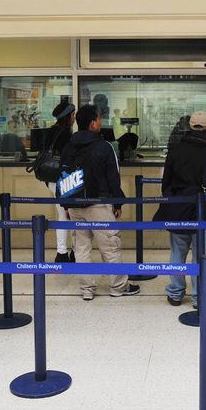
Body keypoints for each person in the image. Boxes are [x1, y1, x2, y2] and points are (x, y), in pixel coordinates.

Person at [59, 104, 140, 301]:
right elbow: (114, 178)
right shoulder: (104, 147)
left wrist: (67, 205)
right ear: (93, 123)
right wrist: (118, 203)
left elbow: (63, 177)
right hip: (100, 205)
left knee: (81, 248)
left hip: (75, 204)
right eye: (99, 119)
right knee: (110, 247)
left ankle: (87, 290)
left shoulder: (68, 146)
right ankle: (118, 287)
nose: (100, 122)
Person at [153, 111, 206, 307]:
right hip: (205, 212)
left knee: (177, 253)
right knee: (201, 254)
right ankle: (199, 297)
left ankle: (175, 293)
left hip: (178, 209)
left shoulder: (175, 150)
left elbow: (166, 185)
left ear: (189, 128)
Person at [44, 100, 76, 263]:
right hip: (64, 180)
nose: (75, 117)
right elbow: (68, 159)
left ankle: (64, 252)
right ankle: (66, 253)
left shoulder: (51, 132)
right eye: (73, 114)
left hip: (51, 180)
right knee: (70, 215)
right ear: (69, 116)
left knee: (63, 214)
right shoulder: (65, 134)